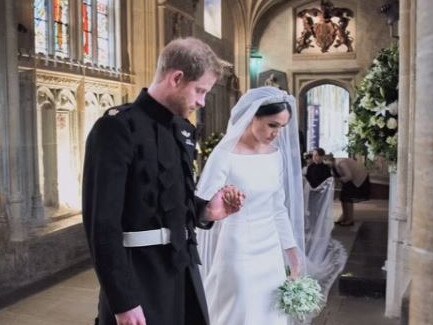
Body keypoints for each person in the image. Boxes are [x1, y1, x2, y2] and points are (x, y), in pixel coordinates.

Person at [82, 37, 245, 325]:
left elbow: (168, 202)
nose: (201, 101)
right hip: (138, 278)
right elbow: (101, 225)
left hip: (181, 273)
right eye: (200, 90)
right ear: (176, 78)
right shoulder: (117, 127)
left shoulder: (183, 129)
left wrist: (206, 210)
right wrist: (123, 301)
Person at [196, 86, 305, 325]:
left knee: (270, 312)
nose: (277, 133)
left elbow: (278, 208)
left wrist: (292, 252)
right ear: (253, 115)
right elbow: (201, 206)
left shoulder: (275, 154)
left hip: (271, 251)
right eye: (272, 125)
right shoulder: (225, 154)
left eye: (282, 127)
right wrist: (217, 207)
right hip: (237, 247)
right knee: (241, 309)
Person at [332, 157, 370, 226]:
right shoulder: (335, 164)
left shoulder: (341, 163)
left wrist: (340, 180)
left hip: (359, 178)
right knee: (343, 197)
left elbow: (349, 176)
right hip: (351, 179)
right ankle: (345, 217)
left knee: (348, 198)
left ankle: (349, 220)